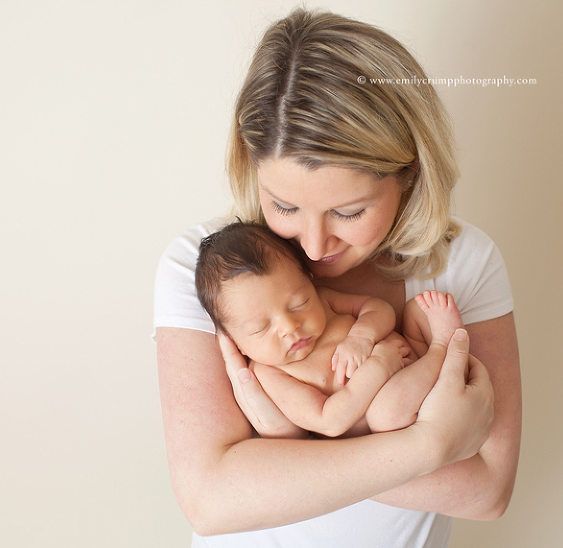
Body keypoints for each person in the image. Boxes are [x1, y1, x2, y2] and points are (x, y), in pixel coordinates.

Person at [154, 8, 521, 548]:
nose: (312, 245)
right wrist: (431, 445)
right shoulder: (205, 270)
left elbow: (487, 491)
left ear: (410, 173)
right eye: (283, 205)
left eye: (348, 213)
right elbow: (212, 499)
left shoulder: (463, 262)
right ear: (250, 165)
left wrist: (279, 454)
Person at [195, 220, 466, 438]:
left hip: (409, 358)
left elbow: (378, 309)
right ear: (236, 343)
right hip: (392, 408)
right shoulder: (269, 375)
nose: (290, 327)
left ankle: (444, 364)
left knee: (419, 309)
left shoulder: (324, 302)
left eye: (300, 303)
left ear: (310, 283)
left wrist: (362, 337)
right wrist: (380, 364)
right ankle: (444, 351)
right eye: (261, 328)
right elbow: (329, 421)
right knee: (387, 412)